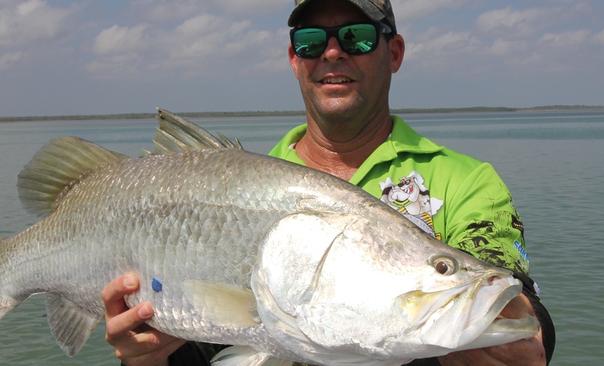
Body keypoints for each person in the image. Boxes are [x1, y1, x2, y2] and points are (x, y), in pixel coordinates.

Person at [102, 0, 555, 365]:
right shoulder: (242, 182)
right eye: (311, 41)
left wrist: (524, 330)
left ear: (393, 52)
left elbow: (513, 299)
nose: (333, 53)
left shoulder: (465, 182)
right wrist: (146, 359)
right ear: (294, 60)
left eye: (357, 37)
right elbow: (208, 346)